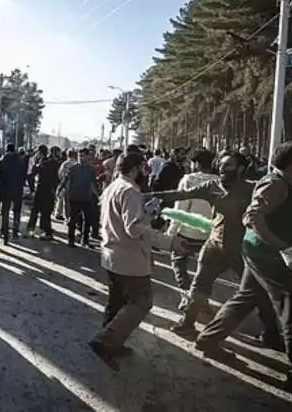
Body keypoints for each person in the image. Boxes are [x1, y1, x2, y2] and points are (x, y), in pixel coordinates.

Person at [195, 141, 292, 400]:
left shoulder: (282, 181)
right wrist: (284, 248)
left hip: (262, 253)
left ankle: (208, 339)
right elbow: (252, 217)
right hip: (268, 256)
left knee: (246, 297)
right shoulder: (275, 183)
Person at [146, 153, 281, 343]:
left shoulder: (251, 188)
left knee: (255, 291)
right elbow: (182, 194)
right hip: (214, 245)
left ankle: (272, 332)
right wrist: (148, 195)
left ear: (240, 168)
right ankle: (187, 324)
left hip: (241, 249)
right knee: (199, 285)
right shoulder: (212, 186)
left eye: (229, 165)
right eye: (221, 164)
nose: (223, 168)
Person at [89, 152, 176, 371]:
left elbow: (124, 221)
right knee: (142, 301)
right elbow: (133, 228)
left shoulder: (112, 187)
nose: (145, 173)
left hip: (112, 256)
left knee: (116, 302)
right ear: (136, 169)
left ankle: (111, 342)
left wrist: (146, 215)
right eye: (143, 168)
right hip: (129, 259)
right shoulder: (130, 191)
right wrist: (165, 240)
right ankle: (105, 341)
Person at [166, 149, 218, 305]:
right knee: (204, 271)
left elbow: (180, 208)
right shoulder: (218, 181)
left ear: (195, 163)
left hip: (187, 234)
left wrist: (170, 233)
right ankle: (201, 299)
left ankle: (187, 295)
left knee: (178, 263)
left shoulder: (188, 180)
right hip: (209, 234)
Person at [59, 148, 99, 247]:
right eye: (79, 156)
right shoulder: (73, 168)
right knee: (73, 220)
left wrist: (98, 196)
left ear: (88, 156)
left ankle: (84, 240)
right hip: (74, 197)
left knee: (87, 219)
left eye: (83, 156)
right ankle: (71, 240)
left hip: (86, 197)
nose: (81, 158)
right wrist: (60, 190)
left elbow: (93, 184)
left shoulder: (91, 169)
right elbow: (66, 180)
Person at [0, 143, 28, 244]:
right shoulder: (21, 161)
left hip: (5, 190)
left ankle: (5, 234)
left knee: (5, 212)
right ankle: (15, 232)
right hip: (17, 190)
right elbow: (24, 175)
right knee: (16, 212)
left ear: (6, 150)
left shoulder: (1, 161)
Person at [27, 145, 61, 240]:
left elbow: (32, 173)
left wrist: (35, 164)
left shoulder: (43, 162)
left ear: (40, 152)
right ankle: (47, 232)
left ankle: (31, 231)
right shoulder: (53, 162)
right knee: (45, 212)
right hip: (49, 190)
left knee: (35, 211)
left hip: (42, 189)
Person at [55, 149, 78, 222]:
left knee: (61, 200)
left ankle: (59, 214)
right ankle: (69, 217)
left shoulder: (65, 164)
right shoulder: (77, 164)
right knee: (70, 202)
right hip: (74, 185)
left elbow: (60, 174)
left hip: (64, 183)